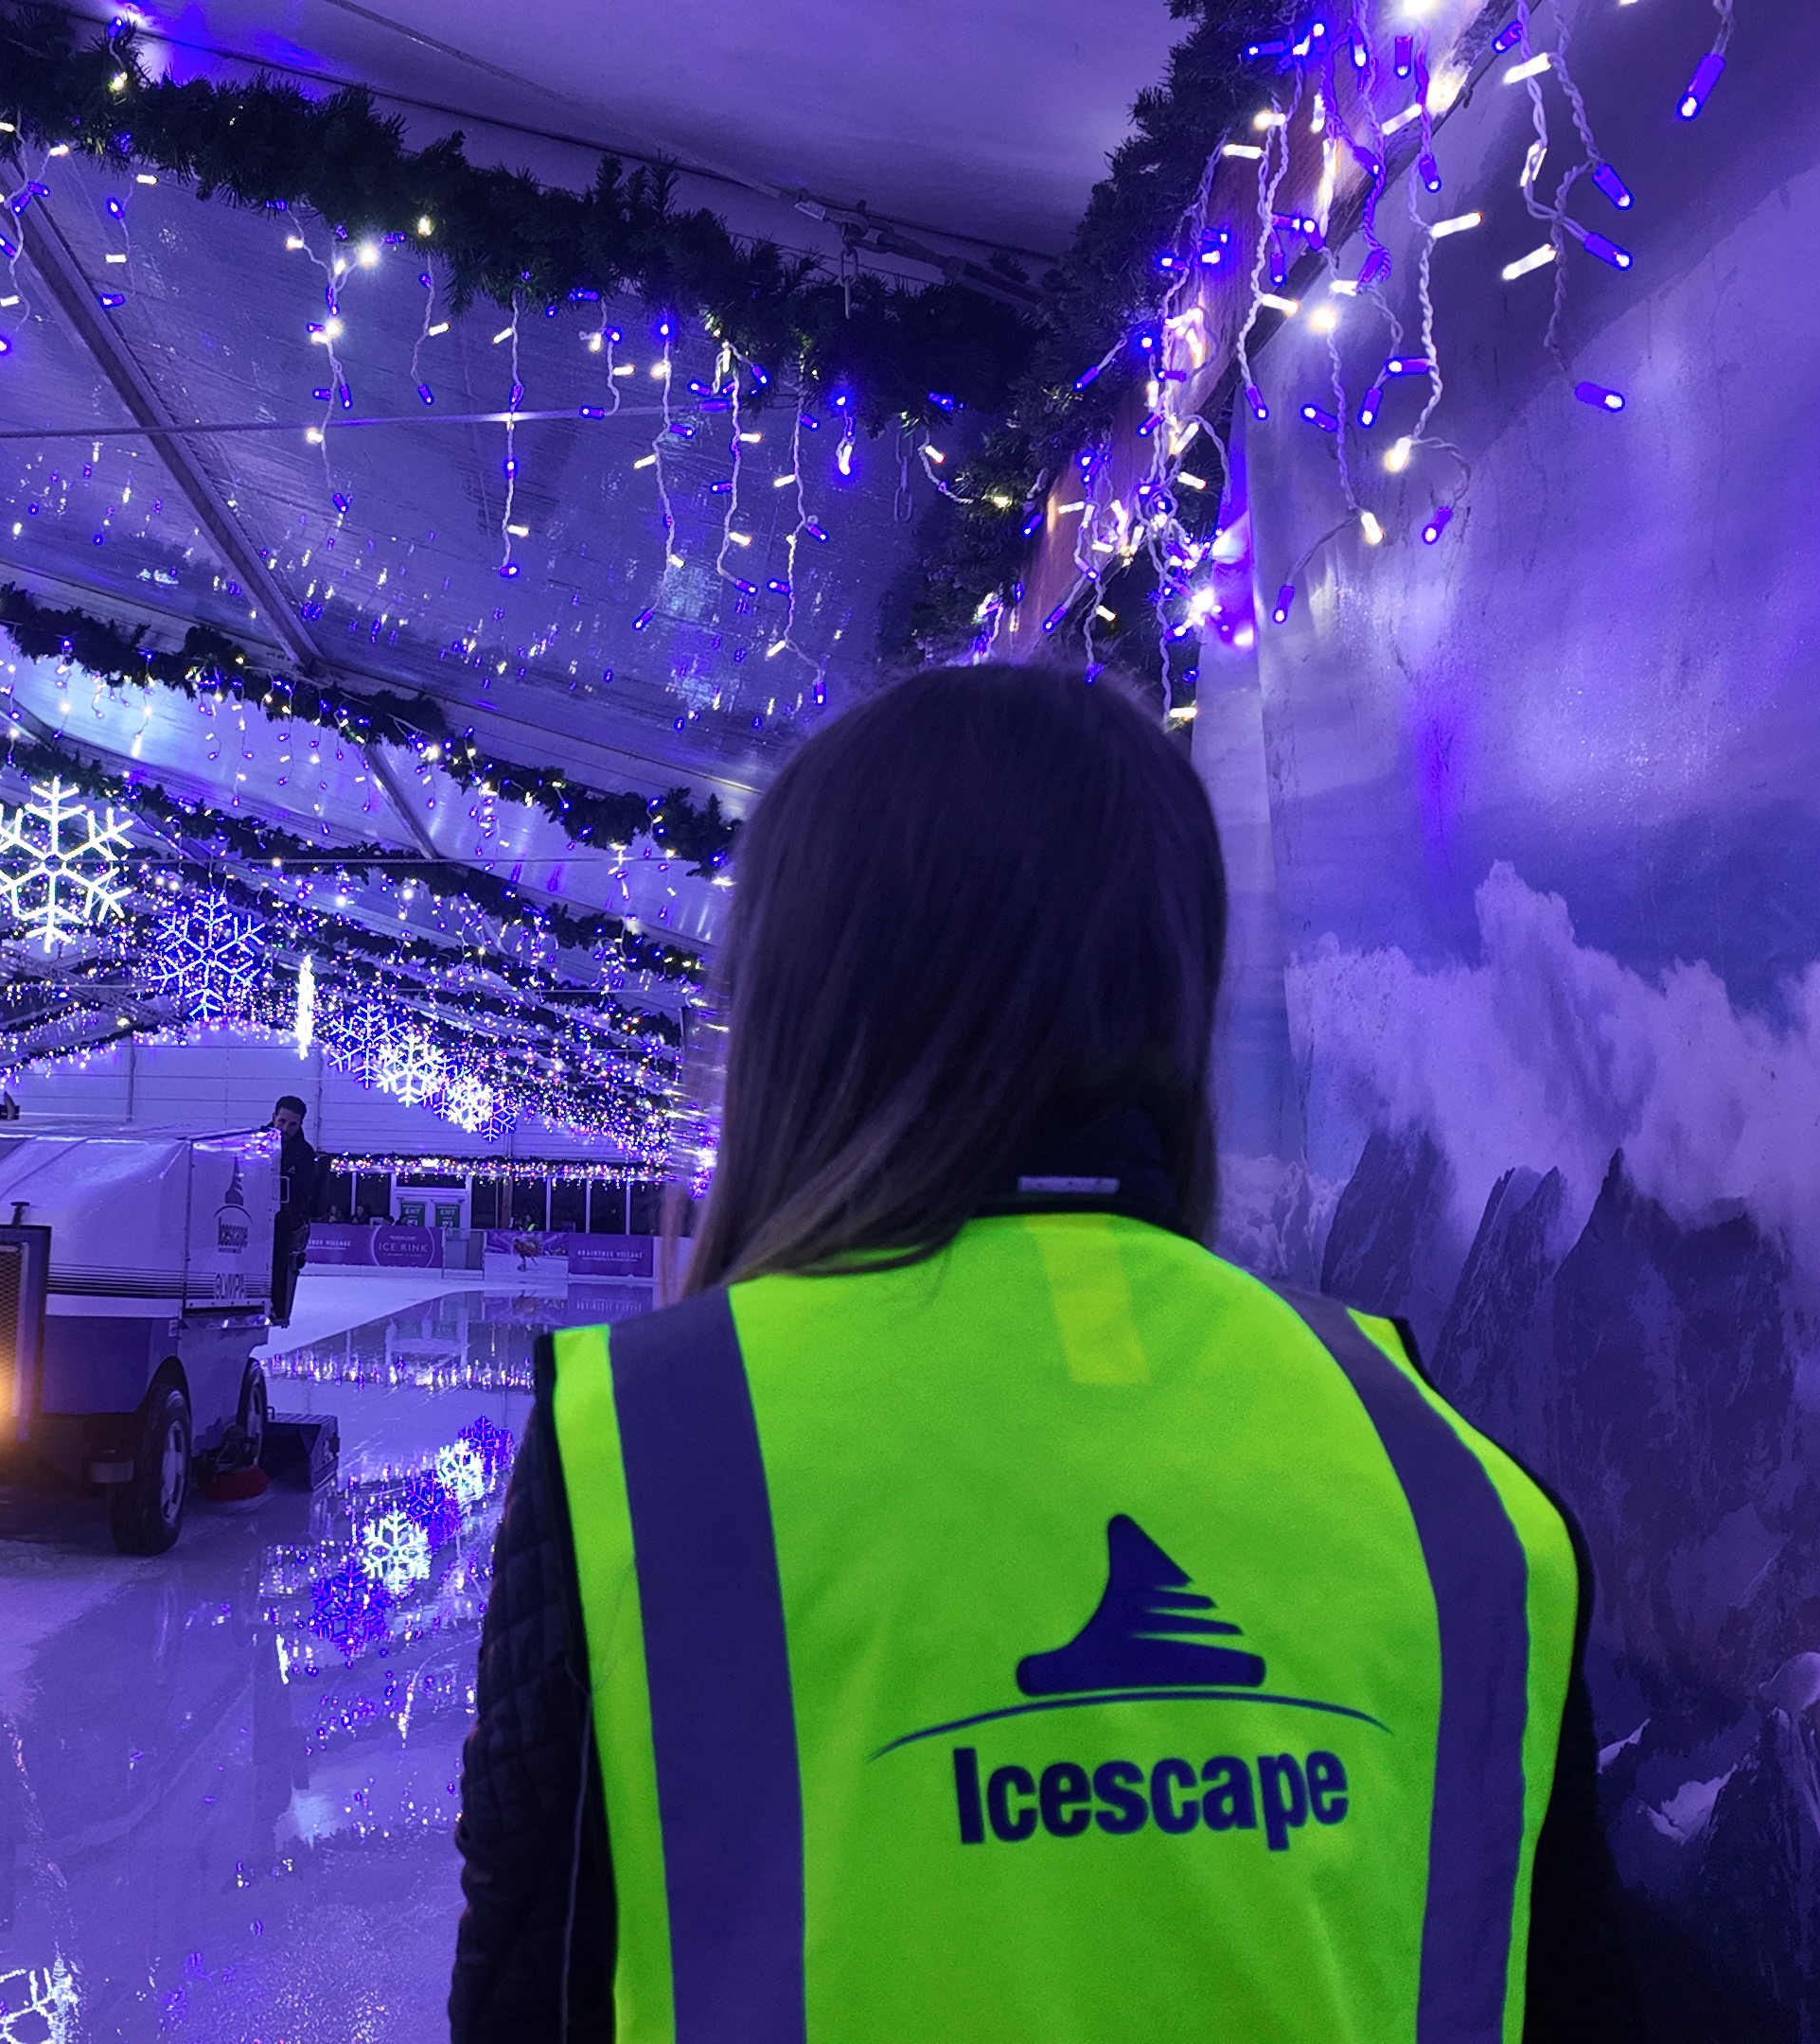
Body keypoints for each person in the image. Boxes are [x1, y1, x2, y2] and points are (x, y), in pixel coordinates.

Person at [446, 666, 1635, 2042]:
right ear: (1178, 998)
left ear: (803, 1013)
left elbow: (526, 1996)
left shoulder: (656, 1451)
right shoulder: (1451, 1487)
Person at [266, 1094, 324, 1328]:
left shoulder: (305, 1155)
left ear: (300, 1124)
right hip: (252, 1211)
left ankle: (274, 1302)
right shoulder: (256, 1143)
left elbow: (303, 1194)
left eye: (292, 1124)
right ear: (274, 1117)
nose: (285, 1128)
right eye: (282, 1121)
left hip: (283, 1217)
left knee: (279, 1238)